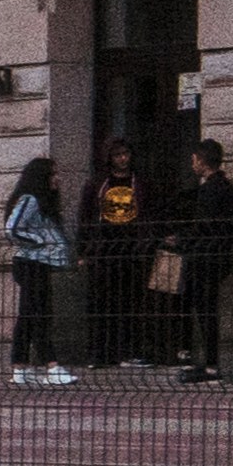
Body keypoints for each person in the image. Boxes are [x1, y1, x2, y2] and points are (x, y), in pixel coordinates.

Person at [172, 133, 233, 380]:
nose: (192, 164)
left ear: (202, 162)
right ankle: (201, 360)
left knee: (202, 309)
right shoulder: (225, 189)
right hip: (216, 256)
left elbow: (205, 227)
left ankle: (206, 362)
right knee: (200, 306)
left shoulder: (211, 191)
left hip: (205, 258)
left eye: (194, 160)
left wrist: (182, 241)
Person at [80, 136, 154, 366]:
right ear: (109, 158)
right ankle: (99, 353)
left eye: (126, 154)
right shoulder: (98, 184)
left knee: (130, 303)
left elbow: (149, 213)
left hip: (132, 250)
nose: (122, 159)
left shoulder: (138, 182)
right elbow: (85, 218)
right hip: (104, 250)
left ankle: (129, 352)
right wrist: (83, 250)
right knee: (101, 303)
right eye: (117, 155)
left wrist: (146, 241)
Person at [1, 155, 72, 383]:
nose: (57, 179)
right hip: (31, 263)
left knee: (29, 315)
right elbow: (13, 228)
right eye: (53, 174)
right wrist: (39, 241)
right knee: (39, 314)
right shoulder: (31, 199)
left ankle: (20, 367)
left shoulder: (44, 202)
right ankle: (51, 366)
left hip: (39, 263)